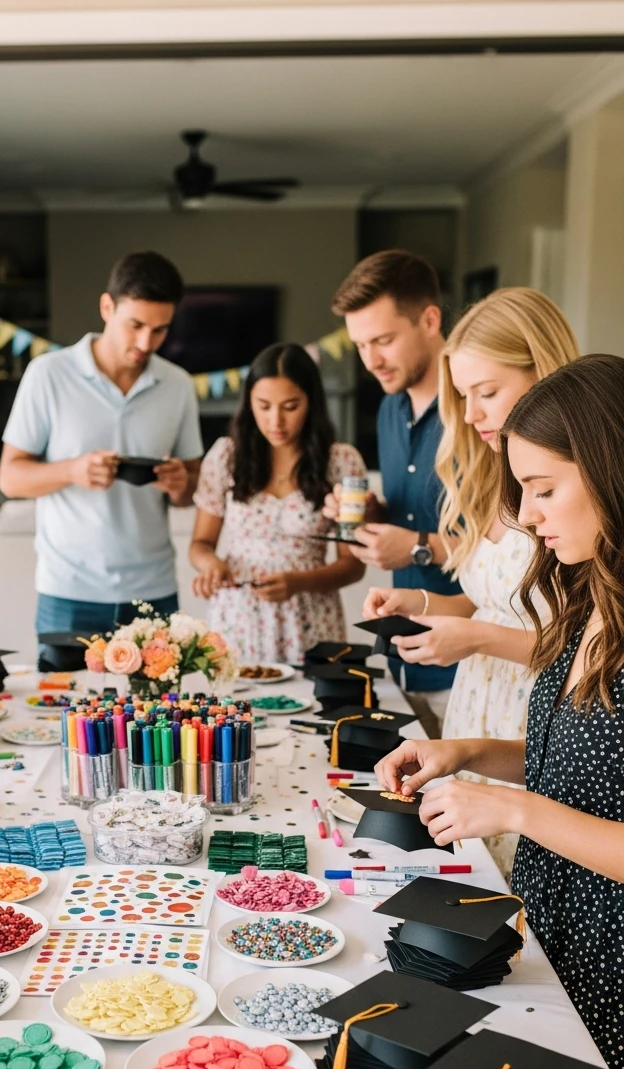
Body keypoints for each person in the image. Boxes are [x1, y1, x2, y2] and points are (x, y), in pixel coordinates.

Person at [376, 354, 624, 1069]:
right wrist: (469, 754)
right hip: (557, 936)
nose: (529, 516)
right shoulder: (586, 599)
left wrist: (514, 812)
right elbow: (589, 763)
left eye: (544, 490)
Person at [362, 288, 579, 874]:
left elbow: (585, 650)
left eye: (487, 393)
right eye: (463, 397)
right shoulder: (495, 477)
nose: (473, 415)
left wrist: (477, 638)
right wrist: (426, 601)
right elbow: (496, 601)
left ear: (543, 372)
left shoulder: (576, 498)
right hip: (478, 710)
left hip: (533, 716)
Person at [0, 251, 202, 659]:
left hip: (154, 591)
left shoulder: (178, 385)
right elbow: (10, 478)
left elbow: (193, 487)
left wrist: (183, 484)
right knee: (59, 721)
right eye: (136, 325)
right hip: (68, 593)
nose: (146, 343)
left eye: (160, 330)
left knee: (159, 722)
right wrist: (73, 470)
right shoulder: (48, 374)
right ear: (107, 307)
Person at [327, 250, 462, 735]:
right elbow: (410, 517)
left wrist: (416, 546)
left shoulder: (477, 408)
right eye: (361, 345)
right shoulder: (388, 408)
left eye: (383, 340)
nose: (371, 360)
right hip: (401, 656)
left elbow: (517, 547)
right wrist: (372, 514)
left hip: (464, 662)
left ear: (429, 319)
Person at [189, 342, 366, 663]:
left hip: (312, 618)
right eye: (264, 406)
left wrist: (299, 583)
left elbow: (353, 564)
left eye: (290, 406)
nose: (276, 421)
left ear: (312, 403)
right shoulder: (226, 456)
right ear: (248, 403)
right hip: (237, 616)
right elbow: (200, 544)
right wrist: (210, 565)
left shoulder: (342, 461)